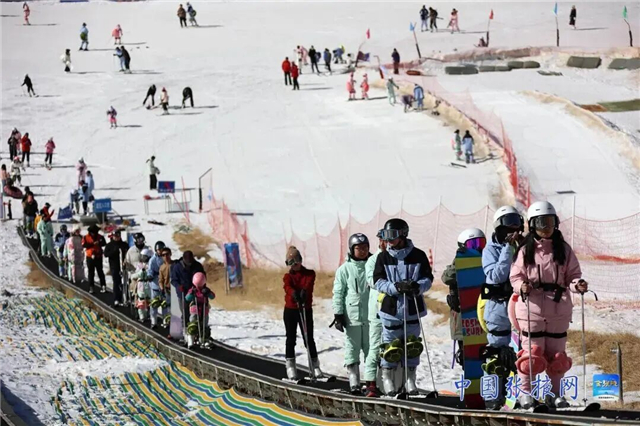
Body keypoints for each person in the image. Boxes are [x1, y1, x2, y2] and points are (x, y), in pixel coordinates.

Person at [510, 201, 588, 409]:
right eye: (541, 223)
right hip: (531, 309)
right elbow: (515, 276)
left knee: (557, 357)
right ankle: (526, 394)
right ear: (532, 225)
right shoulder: (525, 250)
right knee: (532, 355)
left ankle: (555, 395)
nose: (546, 228)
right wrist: (521, 287)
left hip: (558, 310)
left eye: (550, 222)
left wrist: (577, 285)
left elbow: (573, 275)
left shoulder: (563, 250)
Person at [374, 218, 433, 396]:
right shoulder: (383, 257)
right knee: (390, 347)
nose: (389, 239)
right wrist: (395, 287)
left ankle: (410, 380)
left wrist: (417, 287)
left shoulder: (418, 255)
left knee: (412, 346)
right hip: (391, 310)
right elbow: (378, 281)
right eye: (386, 235)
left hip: (412, 308)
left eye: (392, 235)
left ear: (403, 234)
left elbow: (428, 278)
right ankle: (387, 379)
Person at [481, 206, 523, 409]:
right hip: (498, 306)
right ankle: (492, 396)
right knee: (495, 354)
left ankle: (522, 394)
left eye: (516, 225)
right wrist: (507, 249)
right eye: (508, 226)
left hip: (521, 305)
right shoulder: (491, 249)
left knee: (524, 352)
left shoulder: (524, 247)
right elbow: (496, 276)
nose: (512, 231)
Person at [442, 228, 487, 370]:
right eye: (472, 244)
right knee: (467, 354)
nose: (477, 248)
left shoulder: (487, 260)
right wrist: (459, 261)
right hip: (464, 315)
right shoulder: (459, 262)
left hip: (483, 312)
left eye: (480, 243)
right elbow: (446, 277)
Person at [332, 234, 371, 394]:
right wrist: (338, 314)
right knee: (352, 349)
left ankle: (372, 384)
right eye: (358, 248)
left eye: (365, 247)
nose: (362, 251)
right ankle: (354, 382)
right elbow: (338, 293)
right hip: (352, 317)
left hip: (371, 317)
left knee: (372, 351)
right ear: (351, 249)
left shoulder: (373, 266)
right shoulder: (344, 269)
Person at [282, 247, 324, 381]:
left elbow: (309, 284)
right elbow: (287, 287)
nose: (294, 265)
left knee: (308, 338)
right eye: (290, 263)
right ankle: (290, 366)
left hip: (305, 309)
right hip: (291, 310)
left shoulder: (309, 274)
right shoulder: (287, 277)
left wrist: (304, 291)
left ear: (300, 260)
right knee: (291, 339)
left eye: (296, 262)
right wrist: (293, 293)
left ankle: (315, 365)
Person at [363, 230, 386, 397]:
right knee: (375, 346)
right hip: (377, 310)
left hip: (393, 310)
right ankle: (370, 383)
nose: (386, 243)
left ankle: (388, 382)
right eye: (383, 240)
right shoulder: (373, 260)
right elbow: (372, 281)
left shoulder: (394, 259)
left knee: (392, 347)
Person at [170, 250, 205, 341]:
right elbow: (173, 280)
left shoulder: (197, 266)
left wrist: (201, 287)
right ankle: (186, 333)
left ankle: (197, 333)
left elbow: (202, 277)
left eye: (191, 261)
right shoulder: (177, 267)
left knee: (196, 312)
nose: (189, 263)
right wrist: (178, 286)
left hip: (195, 293)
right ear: (184, 259)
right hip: (183, 293)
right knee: (185, 313)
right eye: (188, 262)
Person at [185, 272, 215, 347]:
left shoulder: (206, 290)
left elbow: (212, 296)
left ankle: (204, 338)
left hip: (204, 309)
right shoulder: (192, 290)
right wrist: (191, 294)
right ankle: (191, 339)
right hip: (195, 309)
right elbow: (187, 298)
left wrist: (208, 293)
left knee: (204, 324)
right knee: (193, 323)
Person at [104, 230, 128, 306]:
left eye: (118, 236)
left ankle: (125, 298)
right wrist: (114, 252)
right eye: (115, 236)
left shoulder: (124, 244)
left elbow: (128, 253)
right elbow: (105, 254)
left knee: (124, 282)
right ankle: (116, 299)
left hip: (124, 266)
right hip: (114, 266)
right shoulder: (110, 245)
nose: (116, 238)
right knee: (116, 282)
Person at [148, 241, 167, 328]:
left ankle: (165, 320)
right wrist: (150, 276)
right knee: (154, 304)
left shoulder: (165, 258)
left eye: (161, 249)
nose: (160, 251)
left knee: (165, 304)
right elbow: (150, 270)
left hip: (164, 284)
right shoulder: (153, 260)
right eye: (158, 250)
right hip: (155, 284)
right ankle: (153, 320)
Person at [82, 224, 106, 294]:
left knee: (100, 271)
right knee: (91, 272)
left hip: (98, 256)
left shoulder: (100, 237)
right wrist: (93, 244)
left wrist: (99, 243)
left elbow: (104, 243)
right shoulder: (85, 237)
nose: (94, 233)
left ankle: (103, 285)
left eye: (95, 232)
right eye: (93, 232)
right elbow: (84, 245)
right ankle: (91, 287)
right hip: (90, 257)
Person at [131, 247, 154, 322]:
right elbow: (137, 274)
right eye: (142, 256)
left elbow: (138, 274)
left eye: (144, 257)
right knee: (141, 300)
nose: (142, 258)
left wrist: (134, 275)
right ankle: (142, 316)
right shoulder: (140, 265)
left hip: (148, 284)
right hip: (141, 284)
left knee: (148, 300)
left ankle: (148, 315)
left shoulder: (150, 265)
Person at [158, 247, 174, 324]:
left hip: (176, 290)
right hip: (167, 290)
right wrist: (162, 288)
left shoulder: (175, 264)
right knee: (167, 306)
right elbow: (160, 280)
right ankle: (167, 321)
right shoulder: (162, 267)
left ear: (170, 254)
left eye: (167, 254)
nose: (165, 256)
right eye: (163, 255)